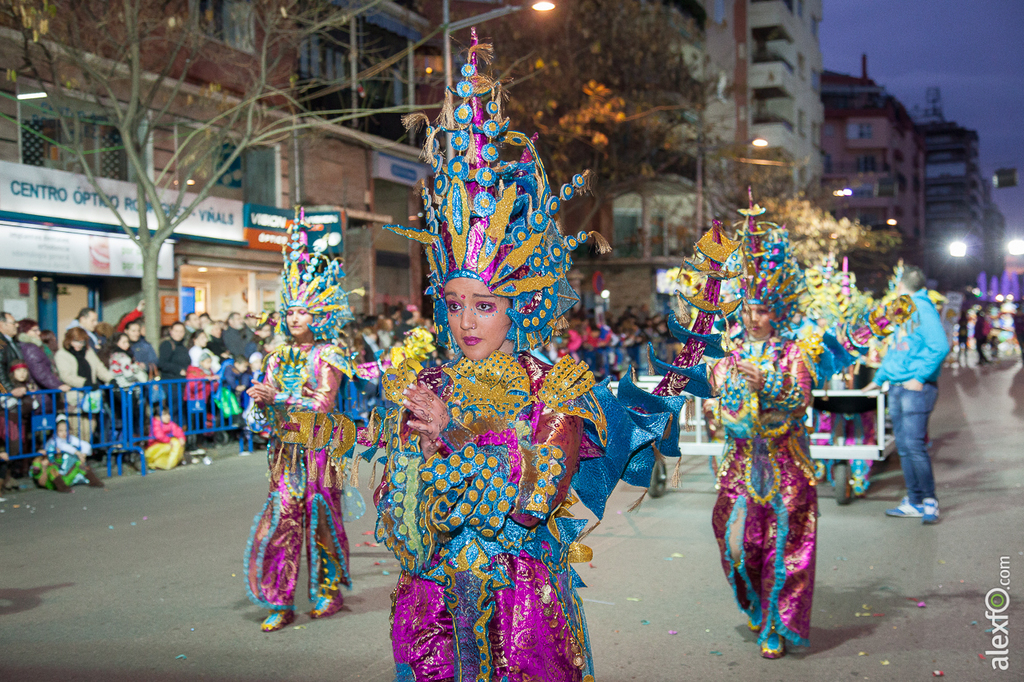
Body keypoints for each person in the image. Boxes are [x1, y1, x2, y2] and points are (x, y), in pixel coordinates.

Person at [365, 41, 688, 680]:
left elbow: (535, 496)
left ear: (520, 306)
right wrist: (421, 458)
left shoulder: (552, 385)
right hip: (436, 599)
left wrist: (453, 441)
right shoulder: (426, 378)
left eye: (484, 305)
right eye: (454, 303)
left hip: (520, 601)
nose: (464, 322)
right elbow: (398, 503)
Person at [243, 217, 361, 634]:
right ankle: (280, 600)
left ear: (318, 315)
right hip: (284, 451)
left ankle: (328, 592)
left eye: (302, 311)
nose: (294, 317)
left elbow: (322, 401)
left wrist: (280, 399)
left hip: (319, 447)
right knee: (283, 518)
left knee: (321, 516)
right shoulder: (275, 357)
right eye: (289, 311)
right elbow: (262, 414)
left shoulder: (328, 353)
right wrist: (258, 406)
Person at [865, 265, 949, 524]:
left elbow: (940, 346)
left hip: (915, 389)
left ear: (901, 286)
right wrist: (879, 380)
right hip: (899, 387)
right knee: (904, 447)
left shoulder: (921, 308)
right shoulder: (907, 309)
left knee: (913, 446)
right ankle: (914, 500)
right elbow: (897, 350)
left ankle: (928, 501)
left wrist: (919, 377)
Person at [32, 414, 104, 490]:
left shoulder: (70, 438)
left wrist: (83, 454)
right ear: (55, 431)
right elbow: (63, 446)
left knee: (79, 464)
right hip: (53, 474)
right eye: (60, 431)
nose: (64, 433)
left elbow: (86, 445)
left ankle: (94, 481)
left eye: (66, 430)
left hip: (67, 472)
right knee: (52, 468)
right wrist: (77, 453)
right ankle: (62, 487)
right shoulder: (53, 441)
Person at [17, 320, 71, 394]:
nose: (39, 333)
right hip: (40, 392)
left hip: (42, 390)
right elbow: (39, 371)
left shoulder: (33, 346)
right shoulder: (30, 348)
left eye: (38, 330)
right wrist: (57, 385)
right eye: (35, 330)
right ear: (25, 331)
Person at [0, 311, 25, 395]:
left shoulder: (12, 341)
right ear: (2, 325)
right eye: (13, 323)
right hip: (7, 393)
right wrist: (9, 389)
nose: (17, 325)